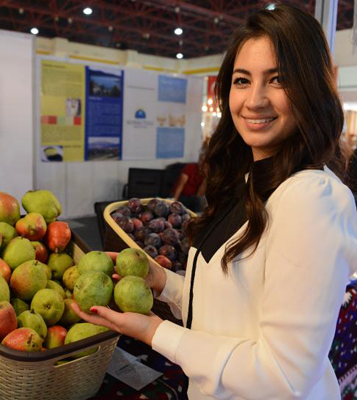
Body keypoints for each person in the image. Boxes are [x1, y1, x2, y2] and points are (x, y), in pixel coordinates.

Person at [73, 4, 357, 400]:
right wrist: (163, 284)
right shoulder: (251, 182)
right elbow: (233, 310)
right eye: (242, 80)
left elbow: (285, 377)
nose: (254, 100)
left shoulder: (312, 200)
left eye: (278, 80)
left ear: (310, 88)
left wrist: (155, 332)